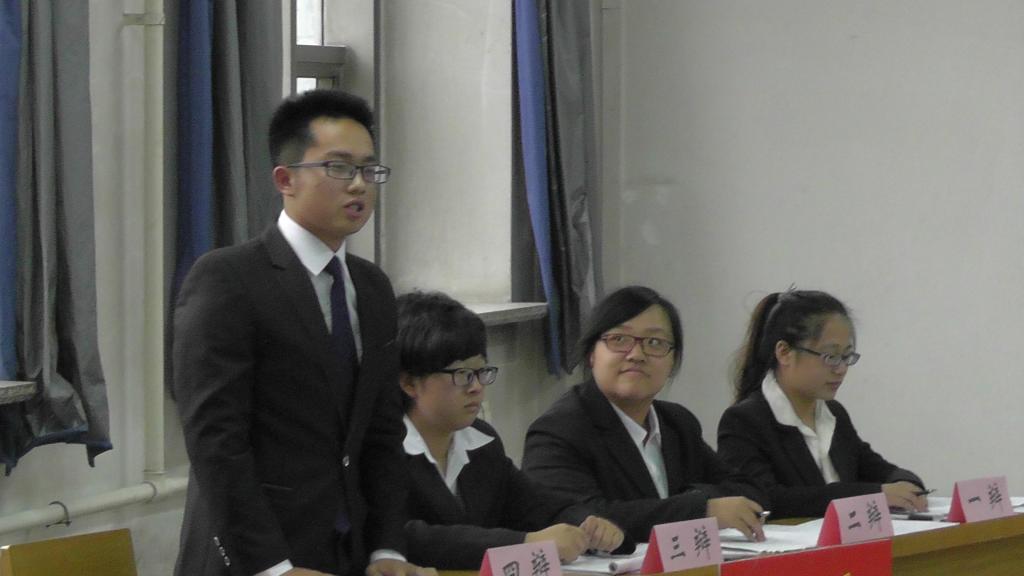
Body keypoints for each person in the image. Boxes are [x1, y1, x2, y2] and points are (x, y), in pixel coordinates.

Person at [173, 90, 433, 576]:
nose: (358, 184)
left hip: (348, 554)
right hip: (256, 559)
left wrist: (387, 549)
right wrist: (273, 567)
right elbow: (216, 441)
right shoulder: (229, 278)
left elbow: (382, 433)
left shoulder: (372, 288)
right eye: (338, 167)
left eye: (369, 170)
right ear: (285, 179)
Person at [396, 291, 628, 569]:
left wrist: (588, 525)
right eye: (462, 374)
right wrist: (524, 543)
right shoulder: (381, 450)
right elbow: (409, 537)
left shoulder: (482, 442)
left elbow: (537, 506)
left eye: (482, 372)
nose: (476, 387)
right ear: (409, 383)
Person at [522, 286, 769, 544]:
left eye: (655, 343)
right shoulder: (558, 431)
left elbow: (749, 491)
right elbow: (581, 518)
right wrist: (699, 509)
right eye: (619, 340)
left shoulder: (677, 423)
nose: (636, 355)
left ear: (672, 361)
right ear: (592, 354)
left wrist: (695, 499)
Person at [717, 289, 927, 519]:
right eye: (830, 356)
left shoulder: (833, 413)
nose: (841, 369)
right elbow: (768, 499)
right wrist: (874, 495)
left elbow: (878, 469)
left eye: (847, 356)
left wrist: (908, 484)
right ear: (784, 353)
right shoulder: (744, 421)